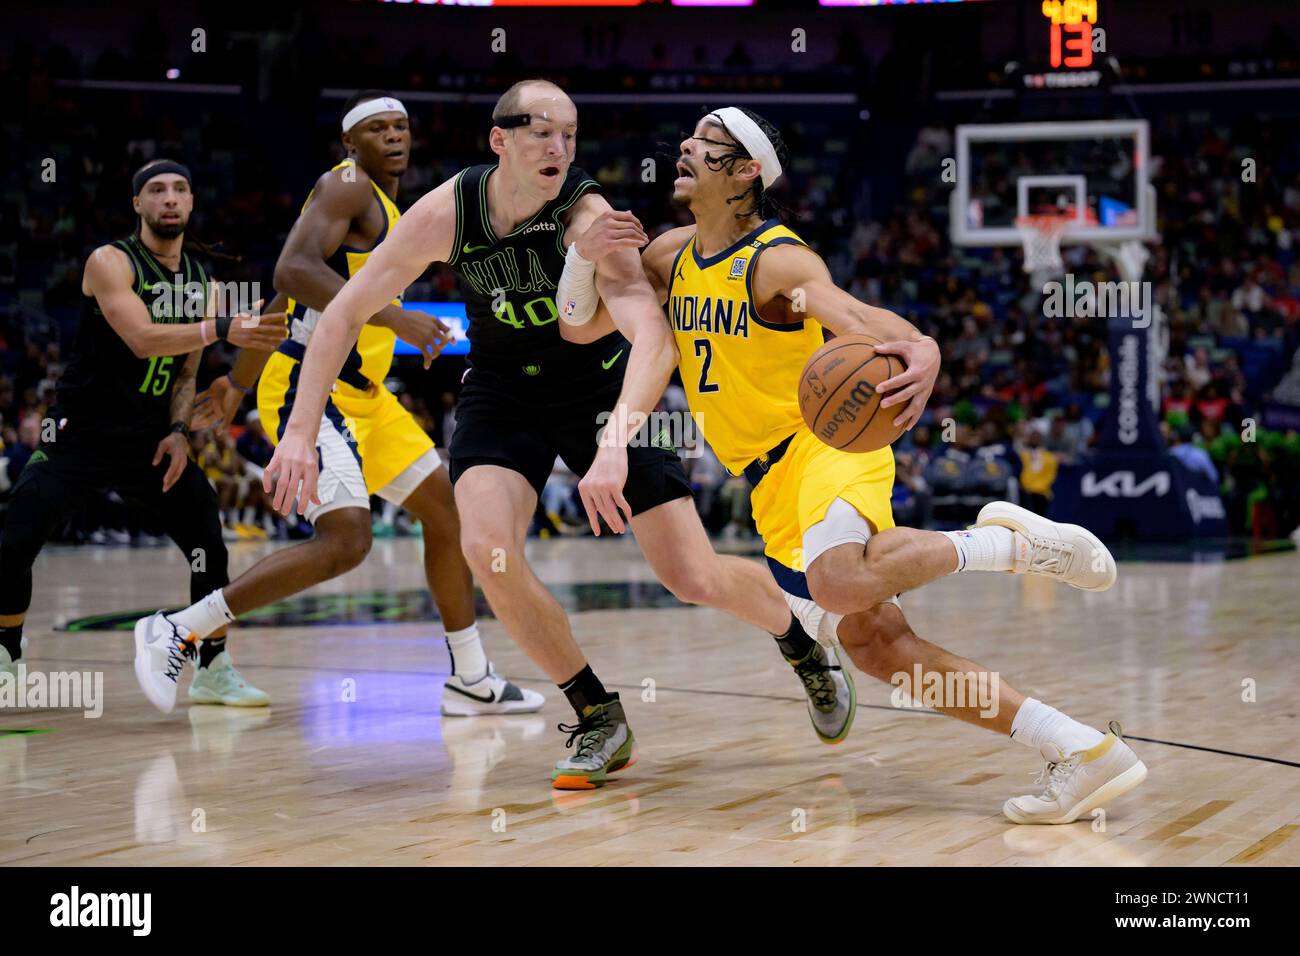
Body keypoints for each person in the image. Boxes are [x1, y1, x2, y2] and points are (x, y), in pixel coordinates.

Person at [559, 107, 1147, 824]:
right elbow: (580, 325)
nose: (684, 145)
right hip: (768, 481)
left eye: (706, 144)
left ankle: (1020, 545)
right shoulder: (670, 256)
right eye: (688, 137)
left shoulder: (777, 262)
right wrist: (582, 254)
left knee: (836, 582)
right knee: (875, 645)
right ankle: (1083, 752)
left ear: (746, 171)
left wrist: (919, 343)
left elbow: (856, 318)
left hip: (824, 442)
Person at [263, 80, 857, 790]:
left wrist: (612, 448)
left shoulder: (588, 217)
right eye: (541, 131)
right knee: (487, 548)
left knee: (690, 575)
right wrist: (299, 432)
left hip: (599, 391)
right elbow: (342, 313)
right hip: (502, 391)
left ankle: (801, 644)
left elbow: (652, 336)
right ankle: (596, 711)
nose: (558, 147)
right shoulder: (450, 208)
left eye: (569, 134)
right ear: (500, 140)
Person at [144, 92, 542, 718]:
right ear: (348, 143)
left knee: (451, 519)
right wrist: (397, 318)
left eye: (401, 127)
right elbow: (290, 272)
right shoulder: (348, 184)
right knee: (348, 539)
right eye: (377, 128)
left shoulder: (380, 206)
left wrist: (237, 386)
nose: (393, 137)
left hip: (367, 402)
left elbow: (284, 306)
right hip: (313, 390)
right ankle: (183, 625)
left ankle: (470, 677)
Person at [0, 159, 286, 710]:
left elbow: (185, 373)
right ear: (138, 205)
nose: (171, 198)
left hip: (148, 441)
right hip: (80, 434)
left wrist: (179, 430)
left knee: (205, 532)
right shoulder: (111, 261)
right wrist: (224, 326)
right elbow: (141, 338)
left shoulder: (200, 281)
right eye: (157, 190)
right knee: (18, 535)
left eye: (181, 188)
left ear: (192, 202)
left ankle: (213, 669)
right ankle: (8, 655)